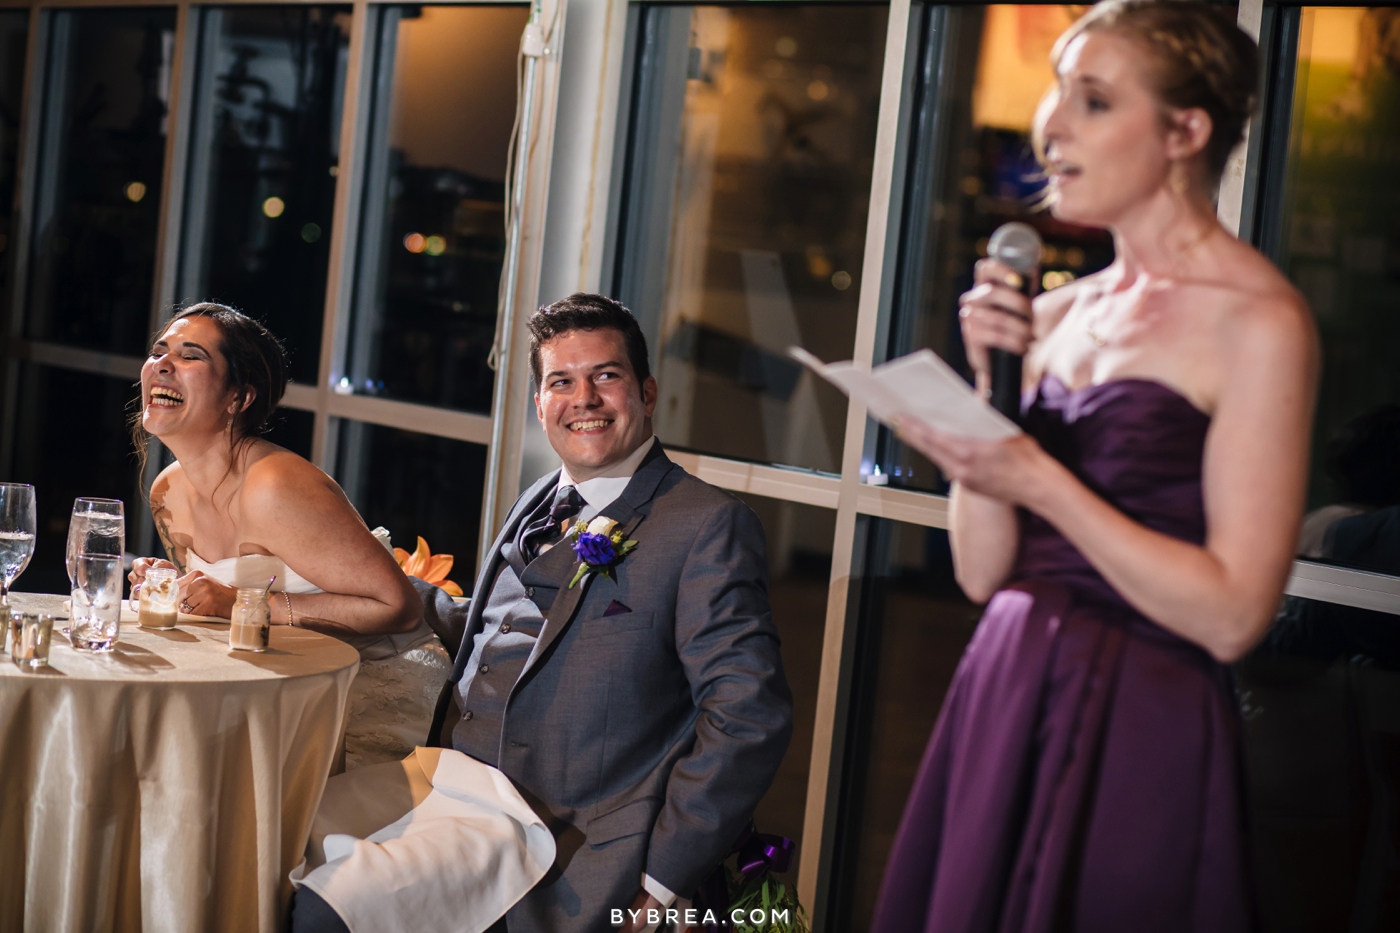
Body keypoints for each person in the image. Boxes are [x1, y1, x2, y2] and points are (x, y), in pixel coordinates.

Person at [871, 2, 1317, 930]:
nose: (1051, 124)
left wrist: (1041, 480)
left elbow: (1235, 615)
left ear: (1185, 131)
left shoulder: (1259, 323)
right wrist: (990, 391)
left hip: (1144, 712)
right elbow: (984, 571)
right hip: (1006, 677)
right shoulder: (1052, 316)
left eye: (1095, 99)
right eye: (1055, 91)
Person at [288, 293, 794, 933]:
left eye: (605, 376)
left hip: (569, 837)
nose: (583, 398)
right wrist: (335, 589)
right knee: (267, 849)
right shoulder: (538, 499)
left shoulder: (705, 526)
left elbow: (749, 714)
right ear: (539, 404)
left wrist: (665, 882)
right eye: (562, 381)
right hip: (445, 785)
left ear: (647, 391)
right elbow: (503, 629)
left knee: (324, 913)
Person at [129, 302, 452, 767]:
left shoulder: (274, 485)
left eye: (190, 356)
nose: (162, 364)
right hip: (274, 684)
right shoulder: (167, 492)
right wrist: (173, 588)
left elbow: (398, 608)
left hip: (370, 698)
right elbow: (217, 612)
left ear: (238, 398)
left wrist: (240, 601)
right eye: (160, 351)